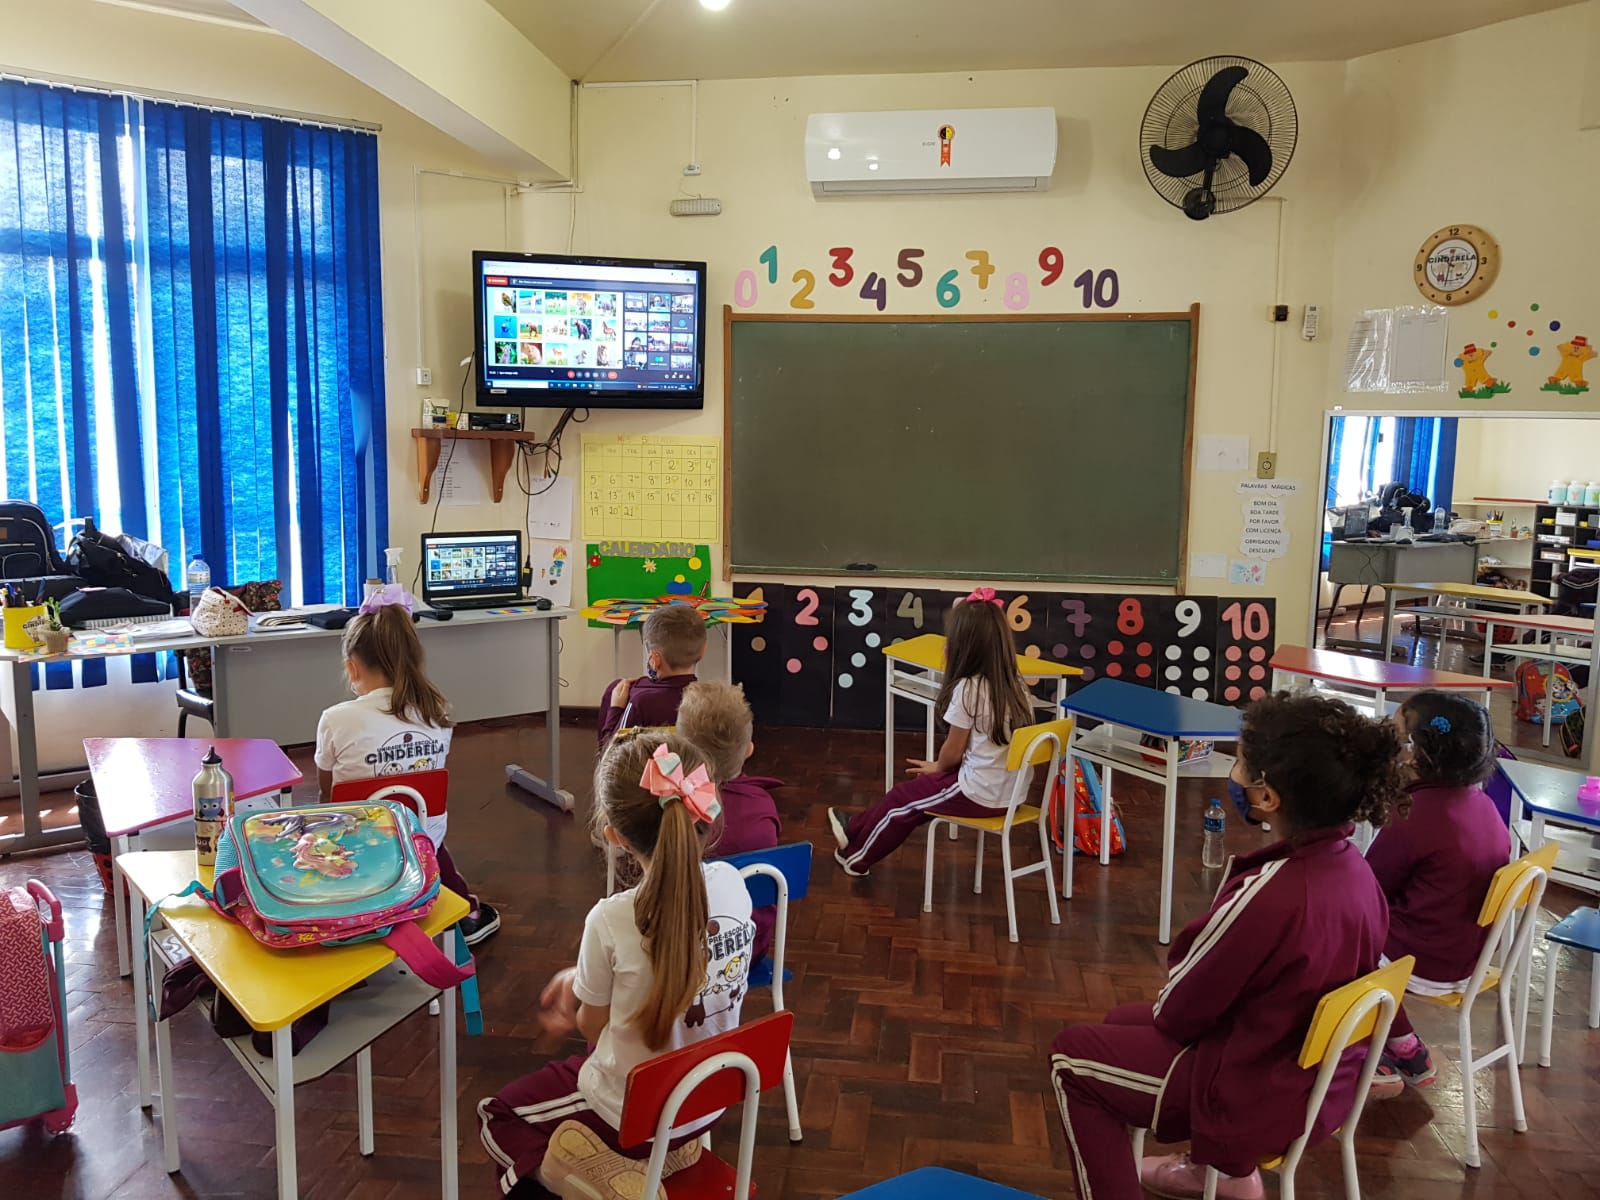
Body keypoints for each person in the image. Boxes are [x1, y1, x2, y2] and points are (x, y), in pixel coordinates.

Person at [1050, 693, 1402, 1200]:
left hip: (1252, 1090)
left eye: (1239, 764)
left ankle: (1218, 1168)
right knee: (1118, 1022)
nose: (1233, 775)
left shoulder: (1273, 892)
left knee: (1071, 1060)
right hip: (1315, 1076)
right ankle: (1225, 1175)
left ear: (1268, 797)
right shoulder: (1355, 870)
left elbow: (1179, 1010)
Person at [477, 733, 755, 1199]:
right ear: (705, 811)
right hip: (706, 1102)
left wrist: (579, 997)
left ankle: (596, 1179)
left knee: (498, 1115)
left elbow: (592, 1027)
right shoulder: (734, 886)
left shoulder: (611, 919)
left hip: (632, 1114)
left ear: (615, 836)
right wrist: (587, 979)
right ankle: (654, 1159)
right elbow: (672, 964)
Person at [314, 596, 499, 945]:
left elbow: (328, 794)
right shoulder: (438, 711)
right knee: (423, 836)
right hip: (422, 839)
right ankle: (463, 911)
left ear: (352, 668)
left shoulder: (336, 719)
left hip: (358, 846)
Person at [828, 588, 1032, 876]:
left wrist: (939, 767)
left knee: (903, 803)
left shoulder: (970, 688)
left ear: (963, 646)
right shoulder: (1017, 685)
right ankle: (856, 826)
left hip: (980, 793)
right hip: (1010, 792)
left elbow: (953, 750)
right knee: (910, 796)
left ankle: (855, 859)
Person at [1366, 691, 1508, 1095]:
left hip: (1422, 959)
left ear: (1415, 753)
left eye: (1395, 735)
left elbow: (1367, 889)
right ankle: (1404, 1047)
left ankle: (1356, 1054)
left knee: (1328, 936)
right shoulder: (1480, 803)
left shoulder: (1416, 814)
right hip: (1466, 955)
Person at [676, 680, 783, 960]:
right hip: (745, 952)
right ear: (749, 749)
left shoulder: (668, 805)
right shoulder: (762, 807)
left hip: (675, 953)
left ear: (677, 748)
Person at [597, 604, 707, 748]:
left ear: (655, 659)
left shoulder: (639, 701)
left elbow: (610, 751)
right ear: (703, 651)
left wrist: (616, 708)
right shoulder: (709, 700)